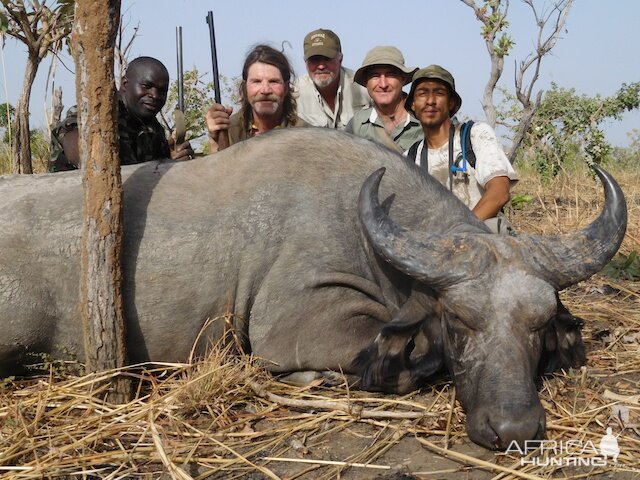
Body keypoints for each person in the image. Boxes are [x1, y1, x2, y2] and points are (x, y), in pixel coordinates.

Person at [404, 64, 519, 232]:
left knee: (494, 227)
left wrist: (458, 232)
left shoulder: (475, 135)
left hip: (478, 237)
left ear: (451, 103)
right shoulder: (409, 157)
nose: (430, 101)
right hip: (432, 244)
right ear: (413, 104)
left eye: (439, 93)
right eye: (422, 93)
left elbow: (499, 193)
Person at [49, 56, 194, 172]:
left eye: (162, 90)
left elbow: (155, 174)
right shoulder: (99, 113)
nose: (155, 95)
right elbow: (81, 151)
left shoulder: (154, 129)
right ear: (125, 84)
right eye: (146, 86)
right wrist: (93, 156)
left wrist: (173, 162)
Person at [205, 44, 308, 153]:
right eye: (257, 82)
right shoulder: (231, 130)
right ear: (245, 88)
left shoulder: (306, 134)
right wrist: (215, 140)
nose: (265, 90)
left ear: (286, 88)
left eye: (274, 81)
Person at [346, 46, 422, 153]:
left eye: (390, 75)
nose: (383, 84)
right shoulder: (357, 124)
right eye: (375, 76)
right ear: (366, 82)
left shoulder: (424, 117)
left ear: (403, 79)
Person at [295, 28, 371, 129]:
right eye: (314, 60)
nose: (321, 66)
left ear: (340, 59)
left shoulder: (364, 87)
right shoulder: (293, 94)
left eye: (327, 59)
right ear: (305, 62)